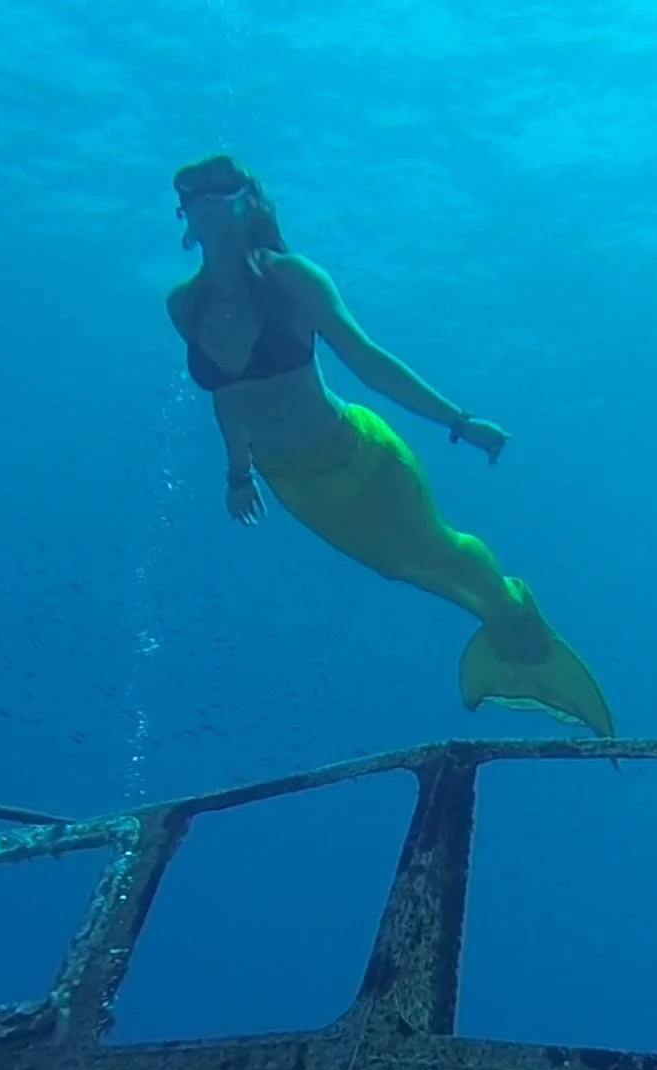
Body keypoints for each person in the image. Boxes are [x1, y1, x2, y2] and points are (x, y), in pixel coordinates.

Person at [164, 154, 615, 738]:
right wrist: (238, 474)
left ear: (250, 200)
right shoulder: (183, 305)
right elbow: (228, 398)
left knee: (438, 548)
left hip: (359, 456)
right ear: (182, 214)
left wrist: (460, 420)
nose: (205, 194)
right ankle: (506, 635)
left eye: (221, 185)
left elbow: (370, 363)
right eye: (193, 190)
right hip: (293, 482)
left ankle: (515, 620)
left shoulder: (292, 278)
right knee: (398, 569)